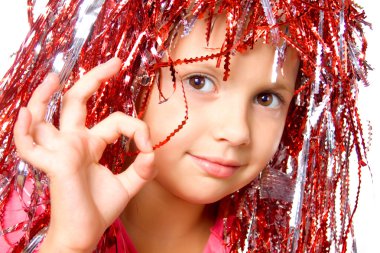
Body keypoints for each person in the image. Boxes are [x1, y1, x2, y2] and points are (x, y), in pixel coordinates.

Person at [0, 0, 370, 252]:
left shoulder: (271, 241)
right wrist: (67, 243)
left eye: (266, 98)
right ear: (133, 77)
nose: (237, 131)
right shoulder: (34, 212)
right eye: (199, 81)